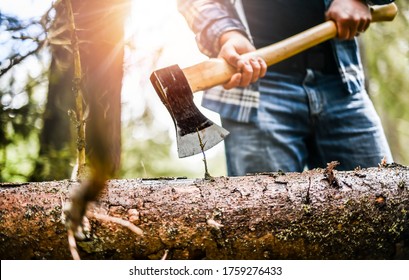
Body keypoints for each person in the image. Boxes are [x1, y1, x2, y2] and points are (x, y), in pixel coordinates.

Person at [177, 0, 394, 176]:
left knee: (385, 201)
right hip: (255, 93)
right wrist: (228, 33)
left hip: (342, 82)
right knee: (265, 220)